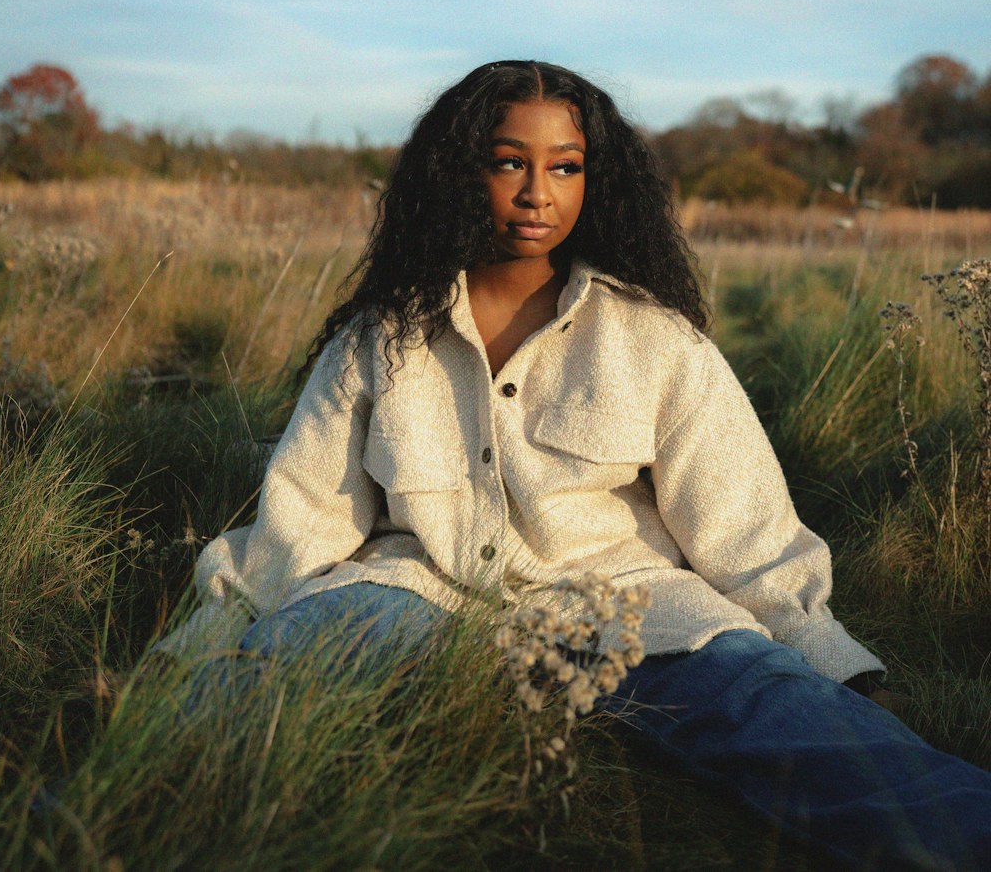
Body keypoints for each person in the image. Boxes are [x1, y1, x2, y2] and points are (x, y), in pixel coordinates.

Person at [159, 60, 991, 870]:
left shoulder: (655, 339)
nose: (537, 192)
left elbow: (747, 528)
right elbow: (304, 516)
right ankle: (103, 810)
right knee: (260, 685)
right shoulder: (382, 337)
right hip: (416, 589)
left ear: (595, 180)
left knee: (810, 733)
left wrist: (826, 659)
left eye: (565, 167)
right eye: (509, 162)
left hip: (629, 605)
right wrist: (217, 634)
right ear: (460, 172)